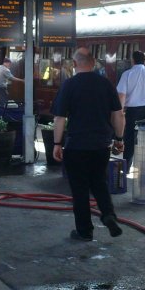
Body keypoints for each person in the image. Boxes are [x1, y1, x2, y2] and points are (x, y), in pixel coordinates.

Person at [51, 48, 126, 242]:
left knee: (80, 189)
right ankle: (108, 214)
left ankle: (85, 231)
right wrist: (119, 138)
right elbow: (118, 114)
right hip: (101, 145)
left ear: (74, 65)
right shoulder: (105, 84)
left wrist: (57, 143)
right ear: (93, 64)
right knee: (99, 182)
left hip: (77, 145)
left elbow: (60, 118)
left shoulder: (69, 85)